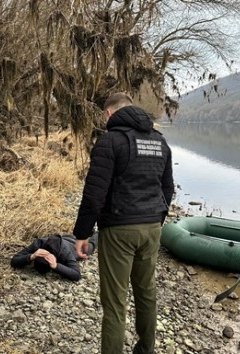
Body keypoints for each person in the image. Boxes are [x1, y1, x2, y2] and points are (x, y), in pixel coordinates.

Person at [73, 93, 174, 354]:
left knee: (116, 302)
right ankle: (145, 349)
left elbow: (95, 194)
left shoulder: (110, 142)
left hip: (119, 229)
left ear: (109, 113)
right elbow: (167, 187)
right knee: (146, 293)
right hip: (151, 228)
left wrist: (82, 234)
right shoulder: (160, 142)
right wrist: (157, 219)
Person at [11, 233, 98, 281]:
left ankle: (98, 233)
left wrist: (56, 266)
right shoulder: (39, 244)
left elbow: (77, 275)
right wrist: (32, 256)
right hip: (65, 236)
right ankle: (90, 232)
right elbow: (14, 260)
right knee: (82, 235)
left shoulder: (65, 253)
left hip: (73, 244)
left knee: (91, 245)